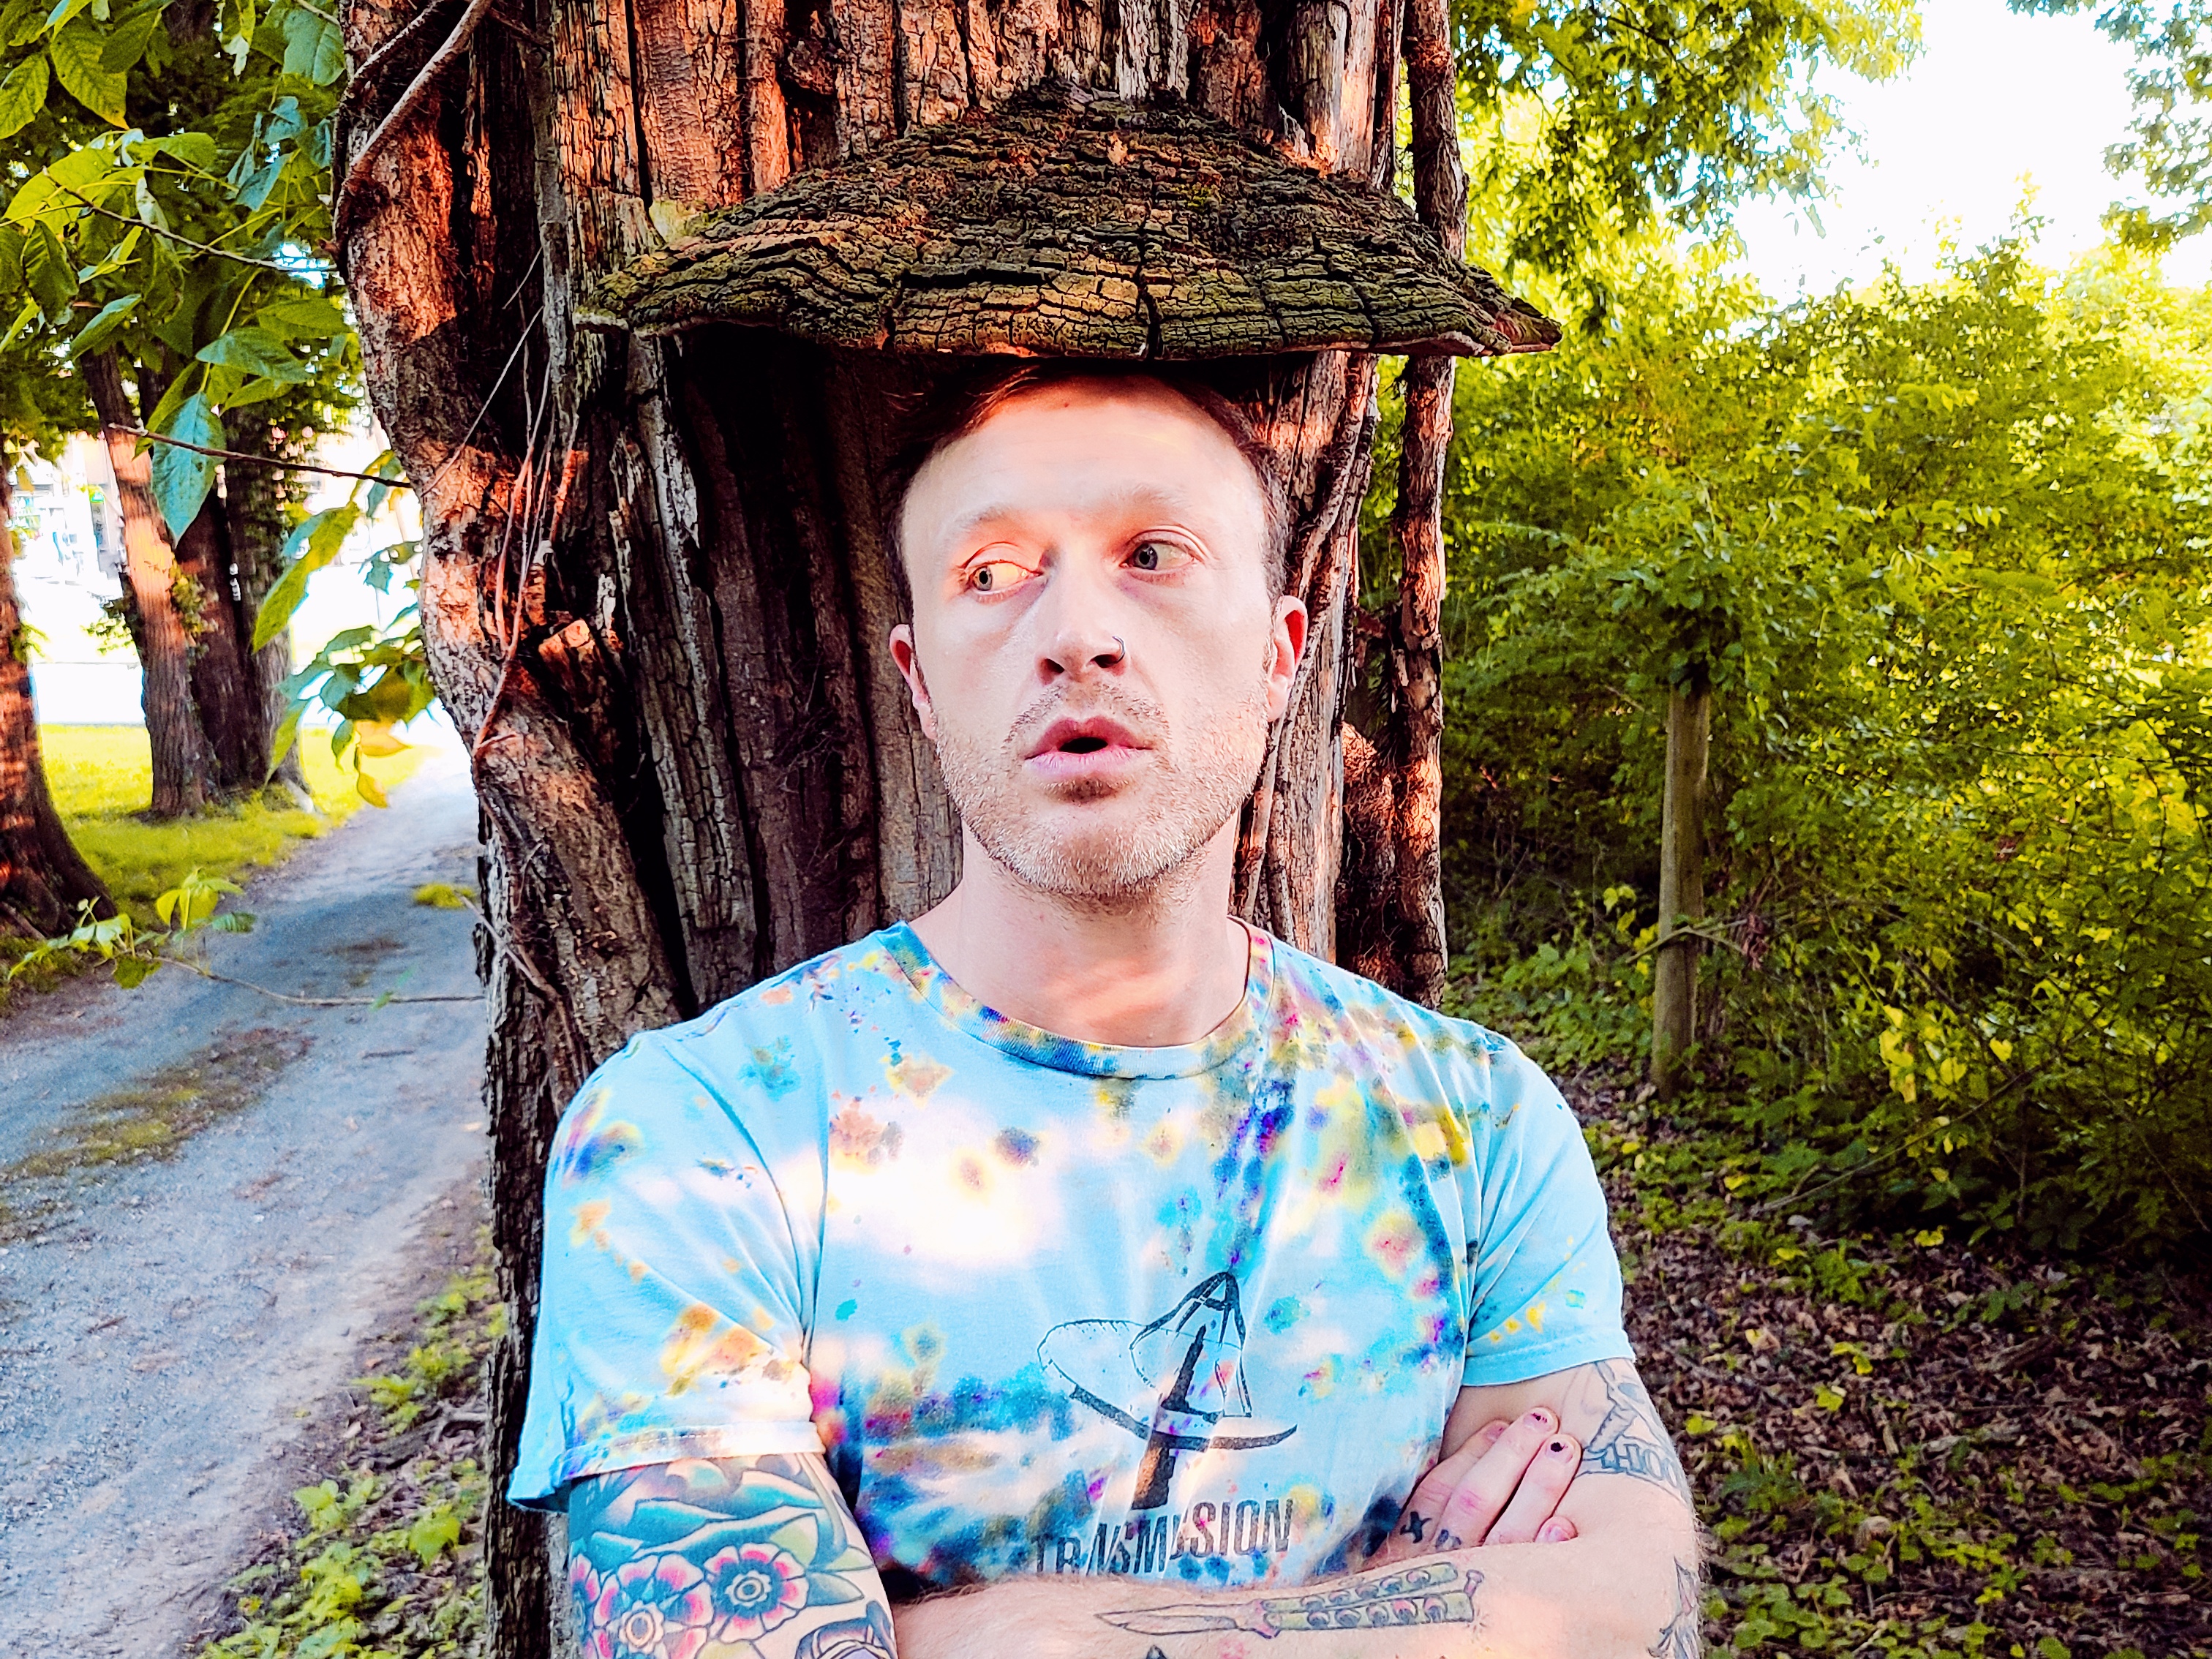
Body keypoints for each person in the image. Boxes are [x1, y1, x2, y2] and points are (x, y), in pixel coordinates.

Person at [508, 364, 1701, 1659]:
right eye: (991, 572)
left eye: (1153, 554)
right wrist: (1422, 1618)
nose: (1077, 633)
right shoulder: (703, 1134)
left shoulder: (1475, 1122)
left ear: (1280, 655)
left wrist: (934, 1635)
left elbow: (1639, 1607)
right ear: (920, 681)